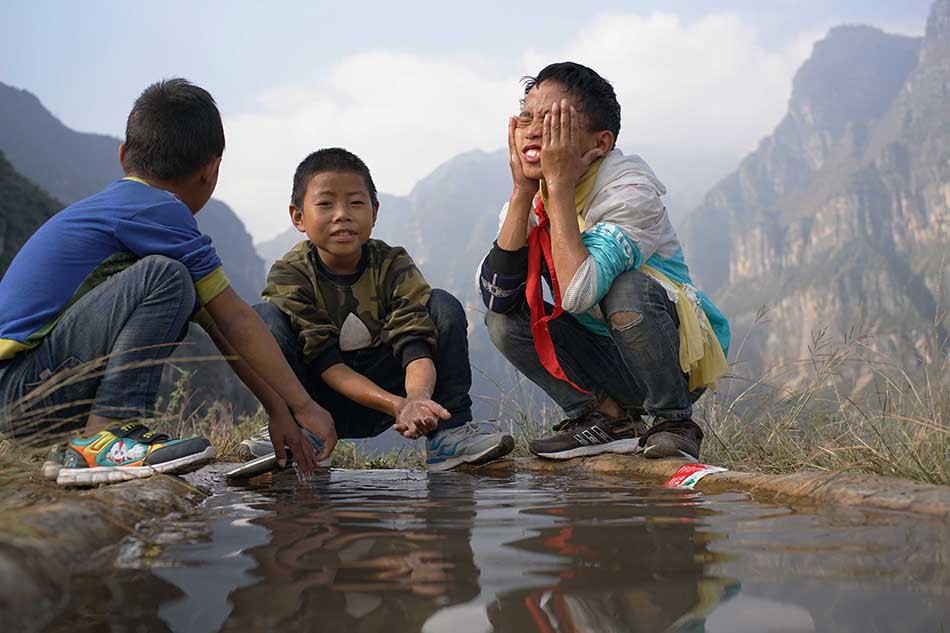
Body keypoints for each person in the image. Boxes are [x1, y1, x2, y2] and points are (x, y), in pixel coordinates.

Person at [0, 79, 335, 485]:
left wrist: (278, 410)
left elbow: (222, 329)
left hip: (25, 394)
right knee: (167, 276)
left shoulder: (119, 209)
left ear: (124, 155)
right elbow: (238, 320)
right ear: (212, 171)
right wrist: (305, 405)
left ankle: (90, 443)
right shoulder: (156, 212)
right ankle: (105, 438)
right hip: (18, 392)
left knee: (177, 281)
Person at [479, 62, 730, 461]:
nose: (533, 129)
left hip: (668, 357)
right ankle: (607, 421)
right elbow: (497, 295)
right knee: (503, 320)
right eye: (526, 116)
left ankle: (674, 421)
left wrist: (558, 185)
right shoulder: (534, 195)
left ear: (600, 143)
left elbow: (579, 293)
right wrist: (522, 190)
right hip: (601, 352)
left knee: (627, 289)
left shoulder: (629, 189)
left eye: (555, 120)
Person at [240, 148, 513, 471]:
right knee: (264, 319)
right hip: (317, 401)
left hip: (390, 387)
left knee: (442, 305)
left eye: (356, 203)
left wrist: (417, 400)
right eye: (326, 204)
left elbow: (415, 343)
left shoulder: (392, 265)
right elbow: (324, 360)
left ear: (374, 210)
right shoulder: (291, 274)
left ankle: (448, 435)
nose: (342, 214)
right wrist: (398, 405)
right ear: (298, 216)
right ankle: (300, 433)